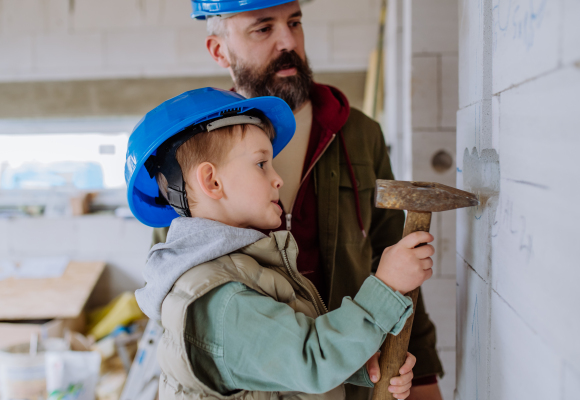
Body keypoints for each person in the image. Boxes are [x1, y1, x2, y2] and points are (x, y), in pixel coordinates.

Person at [153, 1, 445, 399]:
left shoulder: (359, 134)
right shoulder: (186, 152)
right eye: (263, 28)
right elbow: (177, 275)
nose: (288, 41)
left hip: (354, 360)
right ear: (219, 50)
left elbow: (393, 255)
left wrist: (419, 371)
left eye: (294, 22)